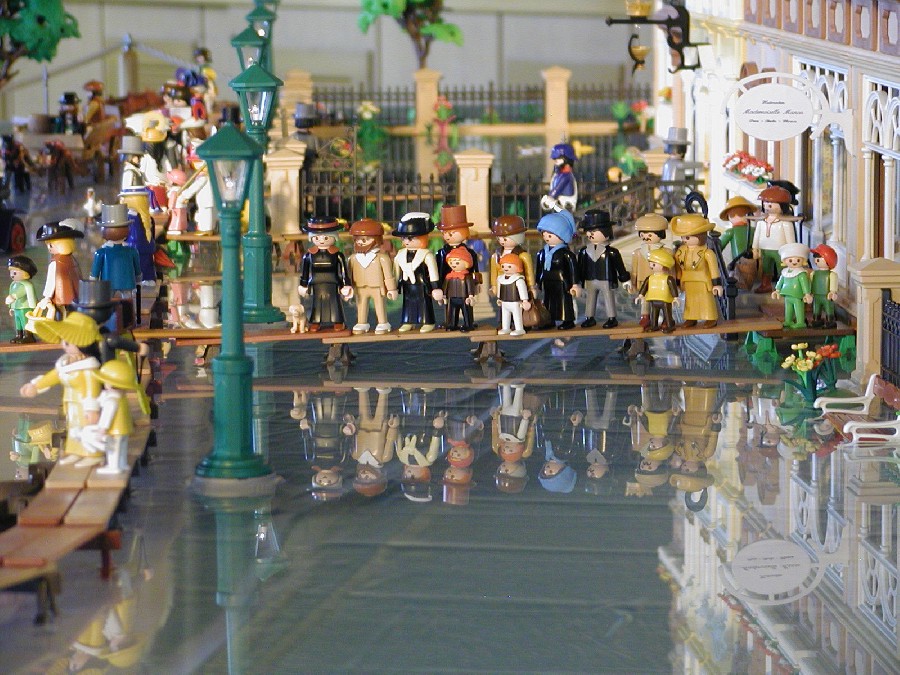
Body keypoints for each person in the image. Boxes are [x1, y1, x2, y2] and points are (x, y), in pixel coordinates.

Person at [21, 313, 103, 466]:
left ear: (82, 343)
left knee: (87, 429)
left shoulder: (88, 367)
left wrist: (92, 409)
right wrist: (36, 386)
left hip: (84, 404)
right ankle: (76, 451)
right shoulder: (65, 363)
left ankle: (93, 453)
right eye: (64, 341)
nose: (64, 344)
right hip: (70, 403)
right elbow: (53, 376)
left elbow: (92, 388)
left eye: (68, 342)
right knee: (73, 428)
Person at [90, 204, 142, 331]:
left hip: (108, 284)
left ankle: (110, 322)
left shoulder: (102, 252)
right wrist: (138, 280)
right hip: (126, 283)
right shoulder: (131, 251)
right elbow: (137, 270)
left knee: (109, 302)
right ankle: (128, 321)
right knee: (127, 303)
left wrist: (93, 281)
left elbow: (95, 273)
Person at [576, 209, 631, 328]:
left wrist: (625, 280)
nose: (590, 234)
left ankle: (612, 318)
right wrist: (577, 282)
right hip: (590, 279)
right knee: (590, 298)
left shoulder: (611, 252)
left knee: (609, 298)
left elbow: (620, 267)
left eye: (594, 231)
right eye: (589, 231)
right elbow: (580, 268)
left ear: (605, 231)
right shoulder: (584, 251)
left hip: (606, 280)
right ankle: (589, 317)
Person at [297, 217, 353, 331]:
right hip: (316, 282)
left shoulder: (337, 255)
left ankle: (338, 320)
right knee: (316, 303)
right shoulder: (309, 256)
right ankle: (315, 321)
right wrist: (303, 284)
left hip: (333, 282)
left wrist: (346, 284)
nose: (322, 240)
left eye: (326, 237)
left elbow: (344, 270)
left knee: (334, 303)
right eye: (317, 237)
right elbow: (305, 271)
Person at [392, 212, 444, 333]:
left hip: (422, 284)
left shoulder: (426, 255)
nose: (406, 241)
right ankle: (408, 321)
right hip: (407, 285)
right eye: (404, 238)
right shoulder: (400, 254)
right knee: (408, 302)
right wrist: (394, 287)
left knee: (424, 303)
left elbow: (433, 272)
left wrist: (436, 287)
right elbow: (396, 272)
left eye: (410, 238)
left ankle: (427, 321)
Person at [671, 213, 723, 328]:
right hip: (687, 280)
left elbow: (714, 270)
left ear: (700, 236)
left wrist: (717, 284)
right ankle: (691, 317)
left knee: (706, 300)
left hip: (703, 280)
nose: (684, 240)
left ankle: (710, 317)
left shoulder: (707, 253)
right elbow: (678, 269)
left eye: (688, 237)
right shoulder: (680, 252)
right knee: (690, 301)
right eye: (683, 237)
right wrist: (677, 282)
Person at [347, 218, 398, 334]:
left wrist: (391, 289)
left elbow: (388, 275)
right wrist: (348, 287)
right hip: (360, 286)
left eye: (366, 239)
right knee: (361, 305)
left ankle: (383, 322)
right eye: (358, 239)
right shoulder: (353, 259)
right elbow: (349, 275)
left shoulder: (382, 258)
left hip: (377, 287)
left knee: (379, 305)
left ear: (377, 239)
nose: (361, 242)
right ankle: (361, 322)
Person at [751, 185, 802, 293]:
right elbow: (757, 236)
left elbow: (791, 240)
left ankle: (784, 286)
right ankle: (765, 284)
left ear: (783, 206)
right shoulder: (761, 222)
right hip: (765, 249)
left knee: (782, 268)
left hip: (781, 250)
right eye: (765, 203)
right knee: (766, 268)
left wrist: (791, 252)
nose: (768, 205)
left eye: (772, 203)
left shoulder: (785, 223)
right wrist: (755, 248)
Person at [535, 210, 581, 329]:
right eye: (544, 234)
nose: (546, 237)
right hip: (547, 281)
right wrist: (537, 284)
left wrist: (575, 284)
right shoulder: (542, 253)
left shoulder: (566, 254)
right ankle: (549, 320)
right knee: (548, 301)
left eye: (550, 235)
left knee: (563, 301)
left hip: (562, 282)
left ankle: (568, 320)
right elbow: (539, 269)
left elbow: (573, 269)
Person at [35, 220, 84, 319]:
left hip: (60, 296)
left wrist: (47, 297)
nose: (49, 248)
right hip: (75, 296)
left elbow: (51, 282)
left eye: (50, 245)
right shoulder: (72, 259)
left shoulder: (55, 263)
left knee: (60, 316)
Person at [631, 213, 669, 328]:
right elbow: (634, 270)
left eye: (650, 234)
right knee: (645, 299)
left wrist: (675, 282)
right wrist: (633, 283)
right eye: (642, 234)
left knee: (664, 299)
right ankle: (645, 316)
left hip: (662, 280)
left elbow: (671, 269)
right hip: (644, 280)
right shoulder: (638, 252)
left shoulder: (666, 252)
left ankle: (667, 318)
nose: (646, 237)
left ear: (660, 234)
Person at [635, 248, 680, 333]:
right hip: (653, 299)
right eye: (650, 263)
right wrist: (640, 295)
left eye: (654, 264)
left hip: (665, 300)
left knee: (667, 314)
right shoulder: (650, 278)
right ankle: (654, 325)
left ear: (664, 266)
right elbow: (644, 287)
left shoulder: (668, 278)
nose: (651, 266)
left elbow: (673, 288)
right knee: (654, 314)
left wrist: (675, 298)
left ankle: (670, 325)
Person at [717, 195, 758, 290]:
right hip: (752, 262)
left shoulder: (731, 231)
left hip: (740, 262)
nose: (737, 216)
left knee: (736, 276)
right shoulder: (754, 230)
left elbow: (719, 246)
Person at [772, 242, 812, 329]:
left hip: (797, 295)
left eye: (798, 260)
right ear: (785, 261)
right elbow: (780, 282)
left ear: (803, 261)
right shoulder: (784, 272)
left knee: (798, 308)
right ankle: (788, 320)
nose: (794, 262)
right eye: (790, 260)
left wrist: (807, 294)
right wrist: (777, 290)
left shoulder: (801, 273)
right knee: (788, 308)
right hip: (787, 294)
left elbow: (804, 284)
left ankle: (800, 322)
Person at [441, 246, 478, 332]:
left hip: (464, 297)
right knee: (451, 312)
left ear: (466, 263)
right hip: (451, 297)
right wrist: (444, 295)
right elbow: (445, 286)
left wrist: (470, 296)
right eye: (451, 262)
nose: (453, 264)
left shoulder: (467, 277)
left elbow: (470, 286)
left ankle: (468, 324)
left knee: (466, 311)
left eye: (457, 262)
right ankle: (452, 324)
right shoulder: (449, 276)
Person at [494, 253, 531, 336]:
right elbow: (500, 289)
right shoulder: (500, 278)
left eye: (509, 266)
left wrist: (525, 300)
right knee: (505, 316)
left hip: (515, 302)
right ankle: (505, 328)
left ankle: (519, 329)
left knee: (517, 316)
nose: (505, 268)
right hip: (504, 302)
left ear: (517, 267)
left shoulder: (518, 279)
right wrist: (499, 298)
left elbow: (522, 290)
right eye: (503, 266)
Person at [6, 255, 37, 343]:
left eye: (15, 273)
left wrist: (13, 297)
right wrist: (11, 307)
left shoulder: (25, 285)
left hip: (25, 307)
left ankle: (28, 336)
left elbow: (20, 293)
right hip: (17, 307)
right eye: (11, 272)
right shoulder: (14, 284)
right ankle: (19, 335)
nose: (12, 275)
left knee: (25, 321)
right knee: (18, 322)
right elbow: (12, 292)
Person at [541, 142, 578, 212]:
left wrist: (551, 197)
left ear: (566, 159)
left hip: (566, 206)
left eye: (558, 158)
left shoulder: (566, 175)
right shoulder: (560, 174)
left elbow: (557, 188)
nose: (555, 160)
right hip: (560, 206)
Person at [810, 244, 838, 328]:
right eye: (816, 259)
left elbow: (833, 283)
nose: (816, 261)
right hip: (816, 295)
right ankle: (816, 320)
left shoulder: (831, 274)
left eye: (818, 259)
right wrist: (809, 292)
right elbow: (811, 283)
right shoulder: (814, 273)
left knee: (828, 308)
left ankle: (830, 321)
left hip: (827, 296)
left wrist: (832, 291)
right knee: (816, 308)